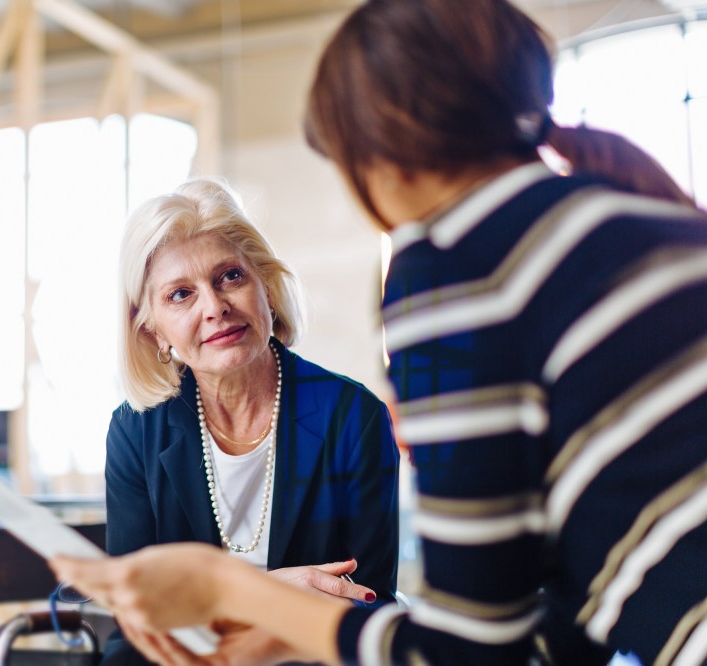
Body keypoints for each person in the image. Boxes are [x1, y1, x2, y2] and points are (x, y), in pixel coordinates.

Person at [51, 1, 707, 665]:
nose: (215, 307)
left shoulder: (452, 271)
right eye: (181, 294)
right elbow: (552, 607)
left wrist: (229, 590)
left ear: (378, 154)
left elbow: (471, 644)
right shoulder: (651, 219)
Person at [100, 178, 400, 664]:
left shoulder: (354, 418)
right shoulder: (135, 431)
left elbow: (364, 604)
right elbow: (140, 616)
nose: (214, 307)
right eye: (180, 294)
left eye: (230, 277)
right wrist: (265, 594)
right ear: (151, 327)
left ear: (268, 287)